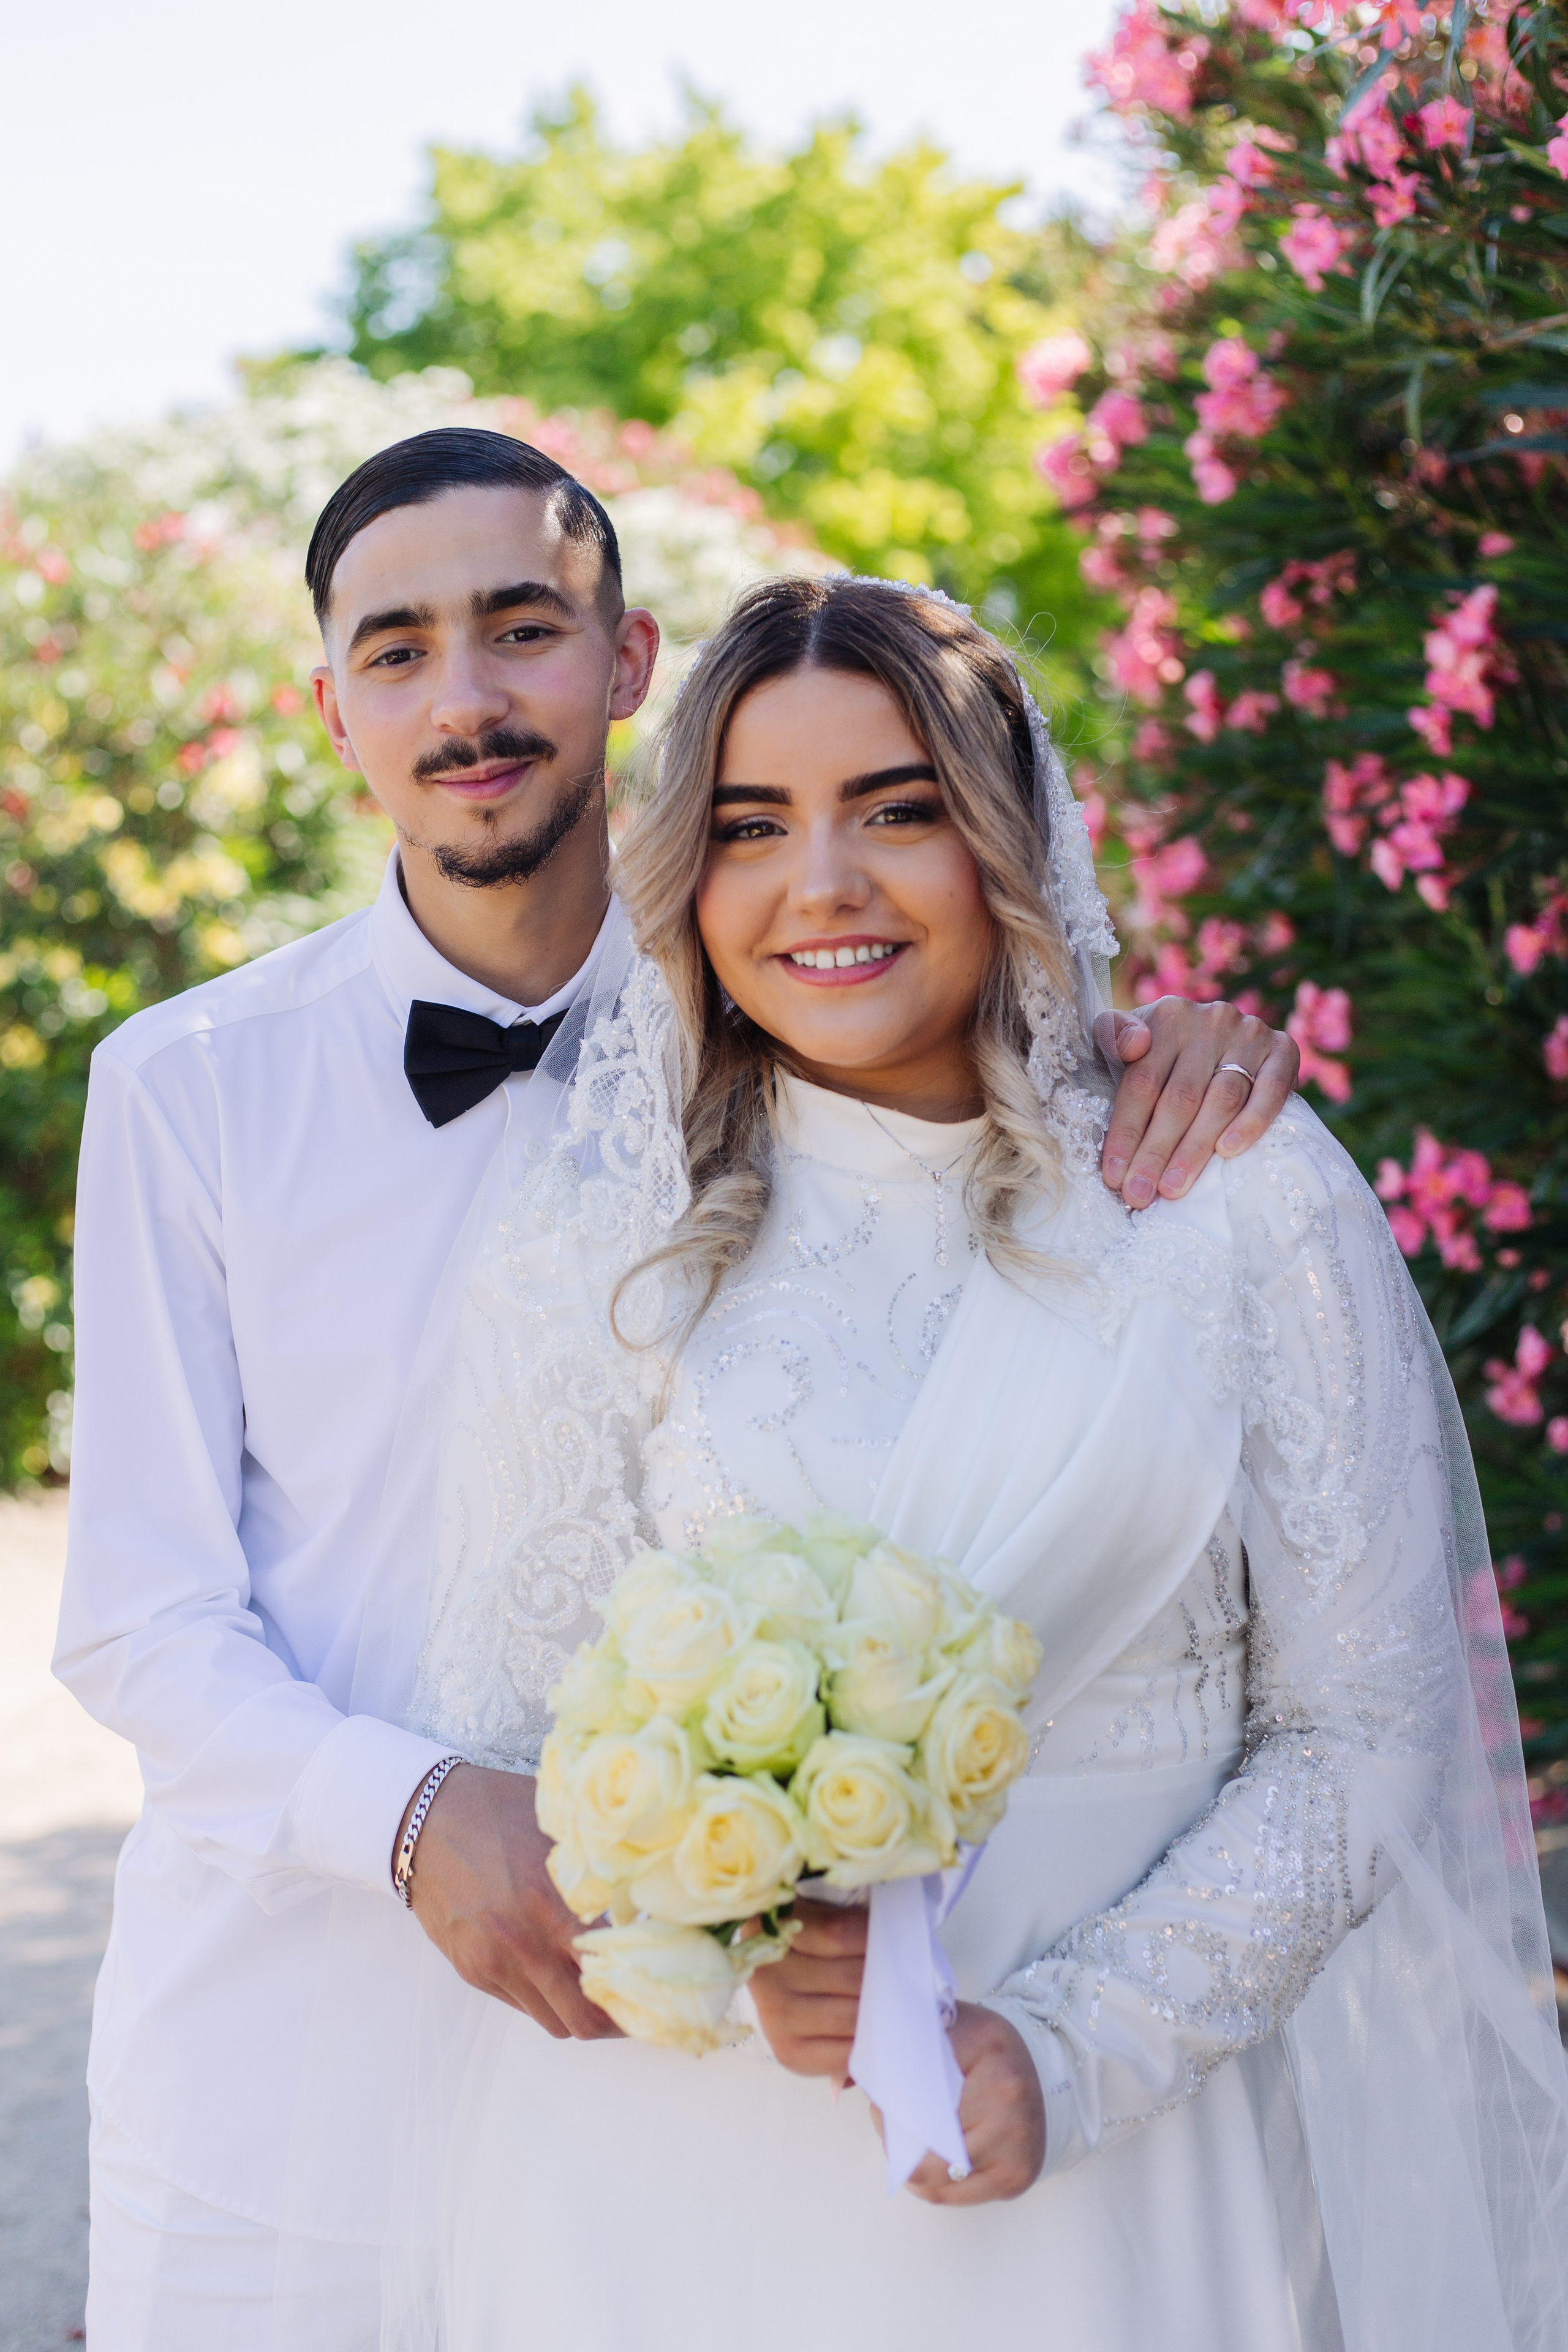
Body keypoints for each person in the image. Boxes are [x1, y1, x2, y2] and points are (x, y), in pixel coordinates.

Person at [53, 429, 1301, 2350]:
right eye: (397, 651)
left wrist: (1153, 1039)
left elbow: (1001, 1112)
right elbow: (138, 1617)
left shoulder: (817, 1013)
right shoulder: (187, 1084)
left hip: (686, 2103)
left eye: (522, 628)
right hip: (276, 2079)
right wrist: (405, 1815)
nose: (464, 699)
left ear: (629, 664)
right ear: (330, 707)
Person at [391, 572, 1568, 2351]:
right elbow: (510, 1741)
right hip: (683, 2187)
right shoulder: (604, 1251)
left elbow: (1361, 1733)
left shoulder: (1234, 1197)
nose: (824, 887)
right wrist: (718, 1902)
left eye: (901, 810)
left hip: (1106, 2171)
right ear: (688, 880)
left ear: (1012, 839)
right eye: (752, 826)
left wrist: (1068, 2054)